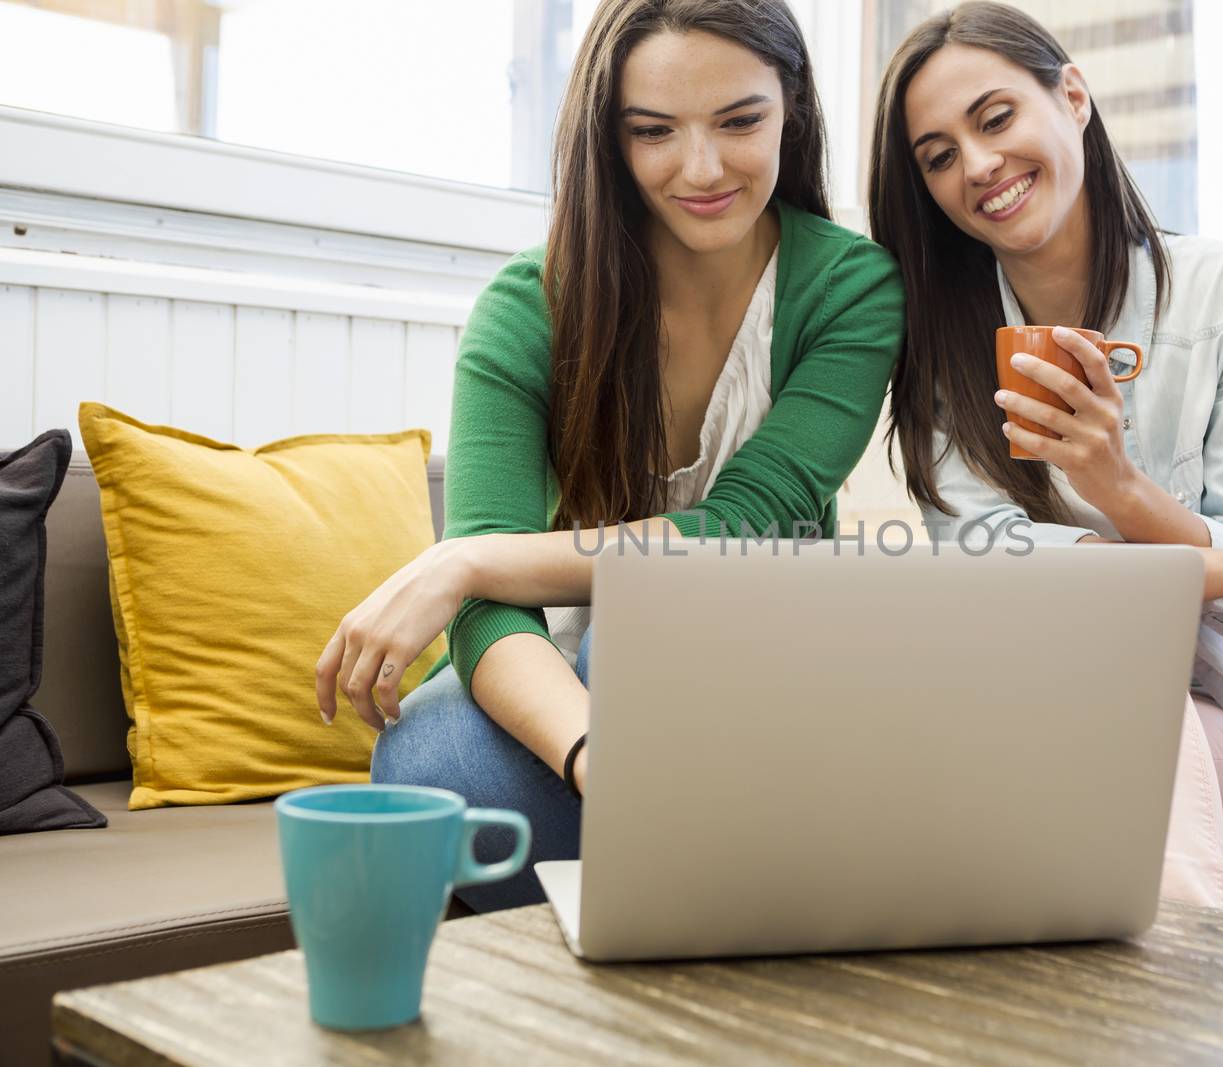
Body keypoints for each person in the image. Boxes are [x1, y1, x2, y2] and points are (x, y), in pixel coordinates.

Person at [315, 0, 904, 912]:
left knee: (650, 622)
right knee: (435, 762)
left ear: (791, 104)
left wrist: (467, 555)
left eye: (741, 122)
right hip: (570, 695)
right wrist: (597, 755)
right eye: (653, 132)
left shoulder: (850, 288)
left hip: (769, 676)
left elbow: (739, 531)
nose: (700, 169)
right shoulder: (528, 305)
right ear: (609, 139)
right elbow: (487, 620)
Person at [870, 2, 1223, 910]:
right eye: (940, 156)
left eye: (995, 118)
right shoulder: (939, 345)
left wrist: (1119, 490)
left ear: (1072, 96)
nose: (979, 165)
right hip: (1011, 703)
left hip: (1212, 721)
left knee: (1108, 741)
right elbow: (985, 557)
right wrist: (1222, 558)